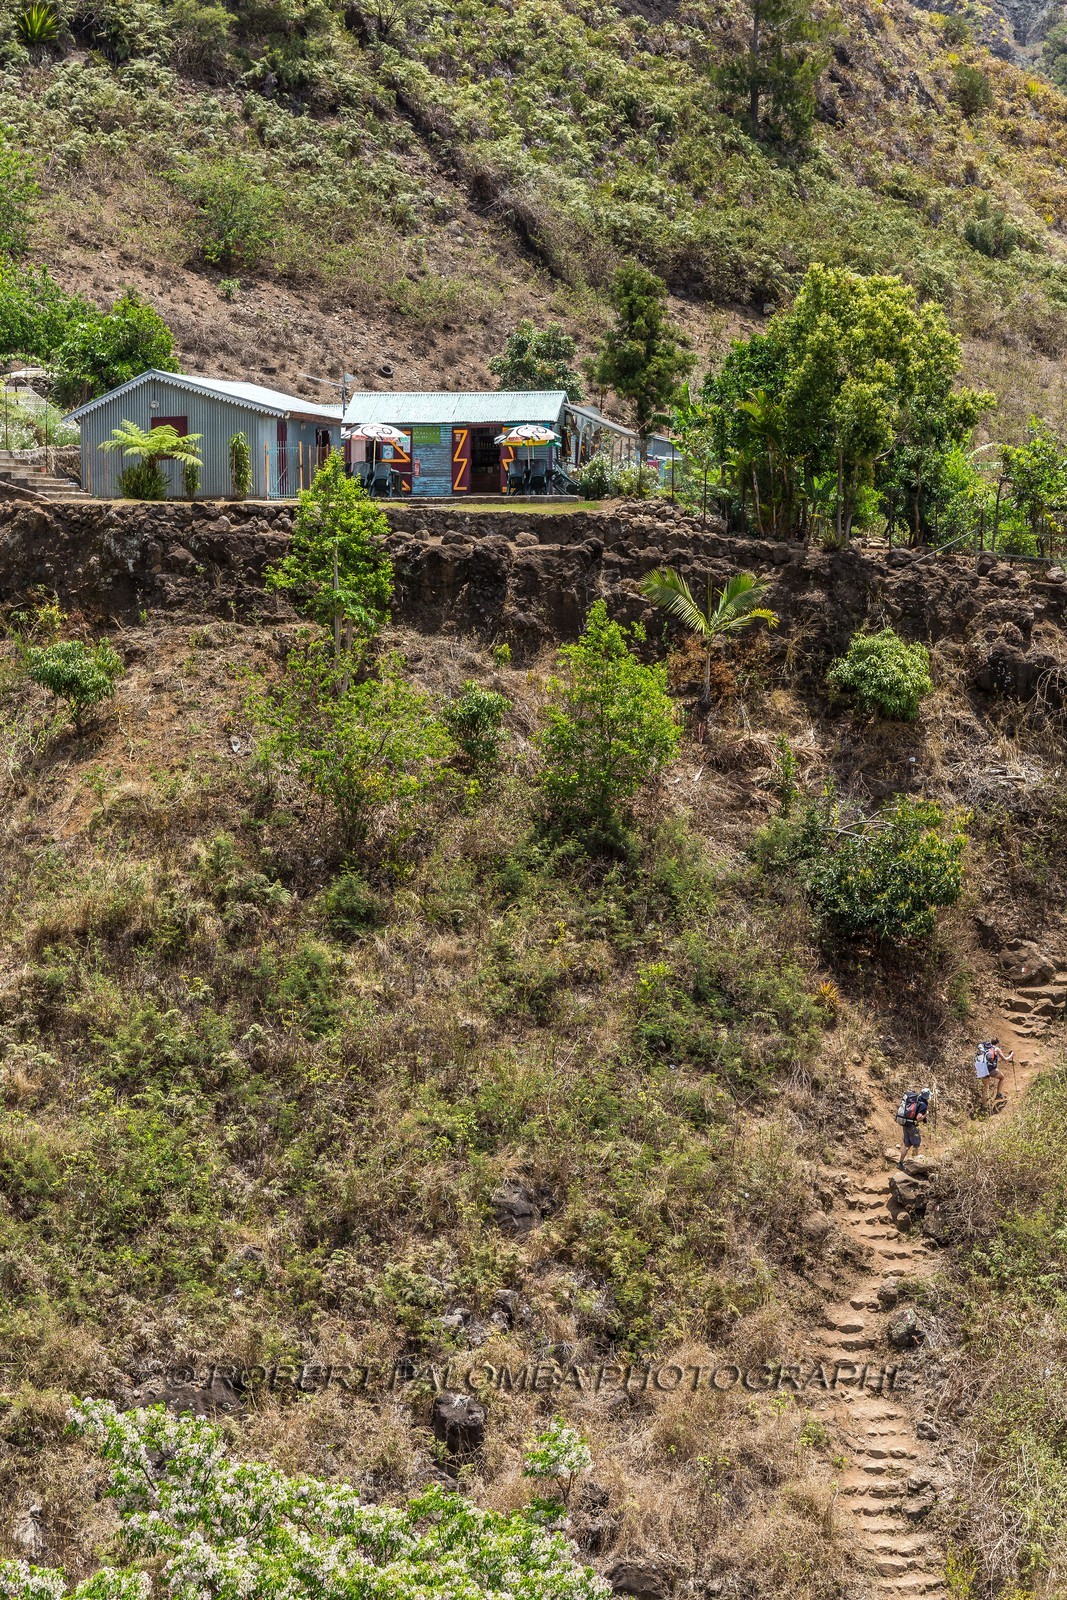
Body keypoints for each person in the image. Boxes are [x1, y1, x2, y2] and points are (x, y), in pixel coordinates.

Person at [898, 1088, 931, 1168]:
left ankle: (900, 1163)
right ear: (927, 1097)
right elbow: (918, 1118)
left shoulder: (915, 1100)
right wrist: (926, 1114)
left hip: (905, 1124)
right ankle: (914, 1166)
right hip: (913, 1126)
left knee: (907, 1146)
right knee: (916, 1146)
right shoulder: (923, 1104)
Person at [982, 1038, 1012, 1110]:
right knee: (1002, 1078)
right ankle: (998, 1095)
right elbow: (1005, 1059)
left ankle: (984, 1106)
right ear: (997, 1043)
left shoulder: (986, 1049)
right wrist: (1011, 1055)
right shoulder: (996, 1049)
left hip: (983, 1070)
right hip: (991, 1070)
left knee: (985, 1087)